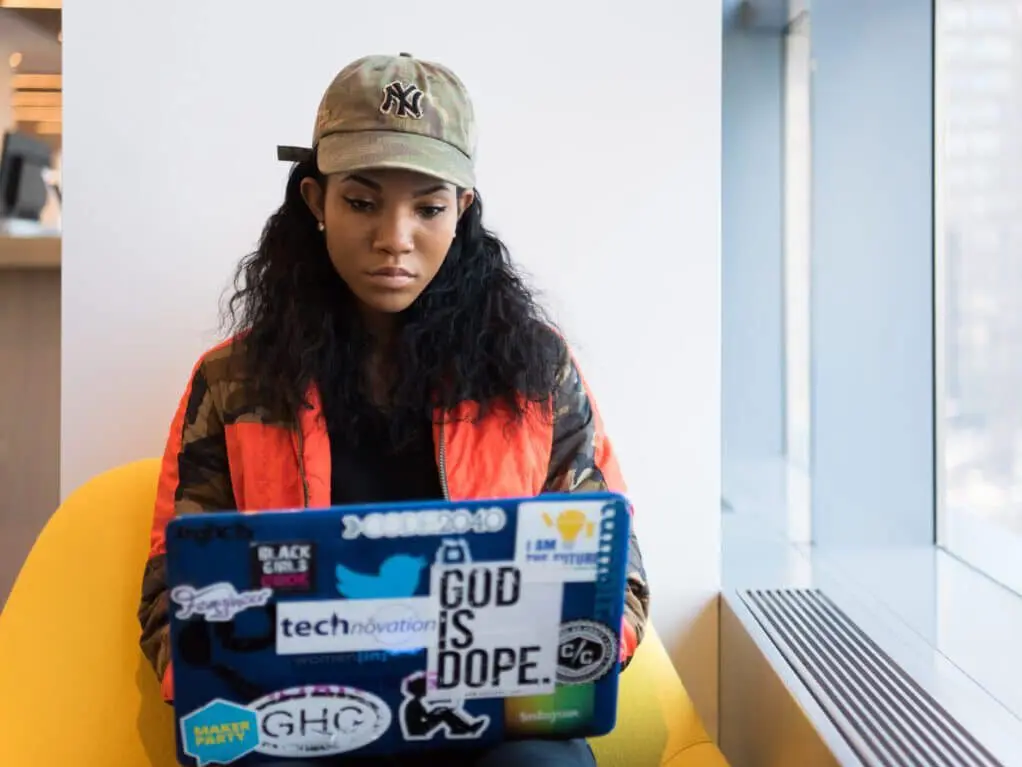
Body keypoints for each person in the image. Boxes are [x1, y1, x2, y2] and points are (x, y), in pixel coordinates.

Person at [137, 52, 650, 766]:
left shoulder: (533, 370)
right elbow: (173, 582)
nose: (394, 238)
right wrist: (226, 680)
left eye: (429, 207)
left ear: (462, 210)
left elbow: (614, 571)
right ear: (315, 202)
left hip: (487, 730)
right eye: (362, 201)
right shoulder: (233, 380)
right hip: (299, 721)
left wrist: (557, 669)